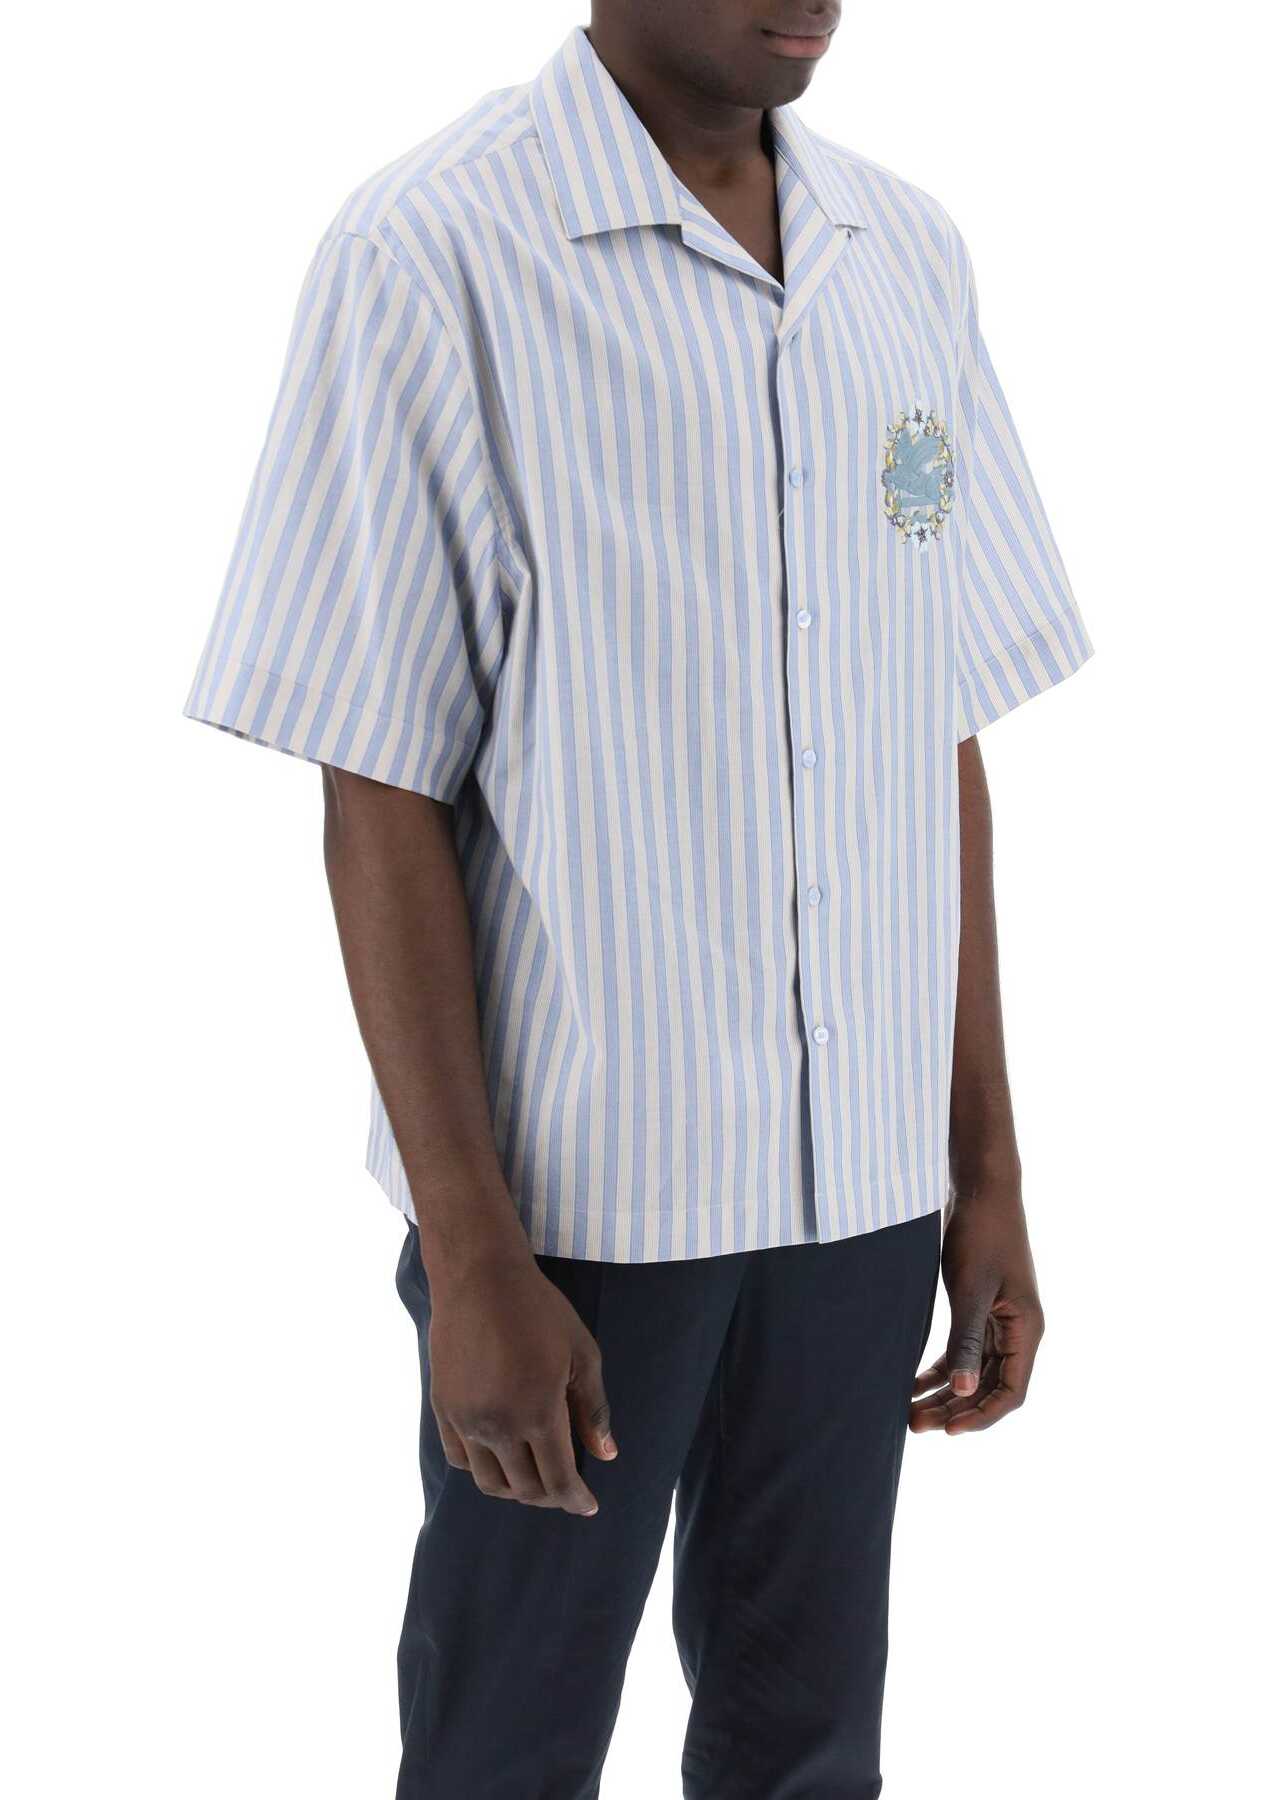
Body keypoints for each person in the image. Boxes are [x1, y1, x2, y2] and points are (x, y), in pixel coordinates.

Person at [184, 4, 1092, 1793]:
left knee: (807, 1745)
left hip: (860, 1191)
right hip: (582, 1214)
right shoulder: (433, 250)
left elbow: (932, 728)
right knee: (506, 1744)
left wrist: (979, 1168)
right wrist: (473, 1256)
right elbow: (375, 779)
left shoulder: (901, 252)